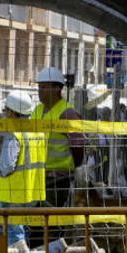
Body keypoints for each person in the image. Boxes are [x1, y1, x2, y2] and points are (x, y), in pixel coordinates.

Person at [0, 91, 47, 245]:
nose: (4, 114)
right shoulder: (38, 132)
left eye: (6, 110)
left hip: (12, 194)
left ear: (12, 112)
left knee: (14, 237)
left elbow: (6, 167)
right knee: (23, 233)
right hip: (31, 193)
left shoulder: (14, 134)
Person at [31, 67, 86, 207]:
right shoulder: (37, 111)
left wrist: (70, 169)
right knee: (34, 221)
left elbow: (78, 148)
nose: (40, 91)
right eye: (39, 87)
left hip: (57, 179)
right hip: (36, 175)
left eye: (44, 87)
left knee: (51, 221)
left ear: (56, 89)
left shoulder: (67, 114)